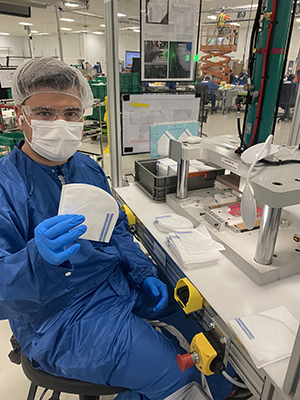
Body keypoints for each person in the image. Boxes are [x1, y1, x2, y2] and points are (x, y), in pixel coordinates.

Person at [0, 57, 240, 400]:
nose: (60, 123)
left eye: (70, 114)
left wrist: (142, 272)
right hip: (58, 319)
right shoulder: (5, 186)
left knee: (210, 331)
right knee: (178, 369)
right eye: (44, 112)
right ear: (20, 114)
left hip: (113, 286)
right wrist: (37, 261)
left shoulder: (86, 166)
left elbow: (116, 231)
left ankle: (220, 390)